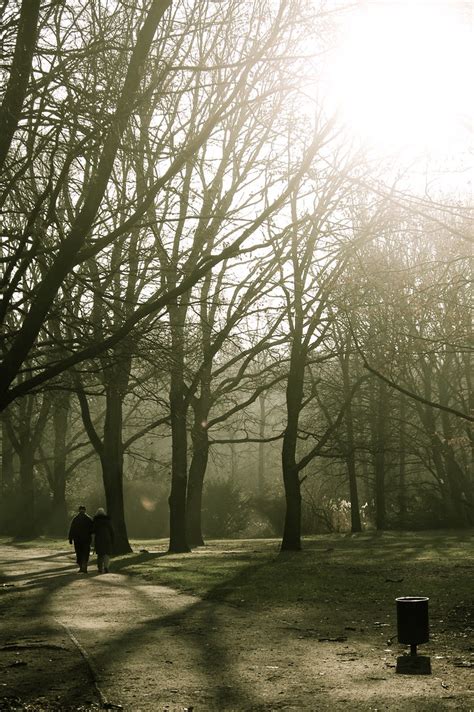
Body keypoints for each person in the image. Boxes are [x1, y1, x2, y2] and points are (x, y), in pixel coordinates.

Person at [68, 505, 93, 573]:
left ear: (79, 510)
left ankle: (81, 566)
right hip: (86, 539)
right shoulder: (88, 519)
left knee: (79, 553)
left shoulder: (75, 519)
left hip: (78, 539)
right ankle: (84, 566)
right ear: (85, 510)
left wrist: (70, 538)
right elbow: (92, 529)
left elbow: (72, 529)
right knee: (85, 553)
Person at [92, 508, 114, 574]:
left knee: (100, 554)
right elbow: (111, 531)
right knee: (106, 554)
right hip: (107, 539)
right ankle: (106, 567)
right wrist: (112, 539)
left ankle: (100, 568)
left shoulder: (95, 521)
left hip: (99, 539)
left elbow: (93, 531)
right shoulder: (108, 521)